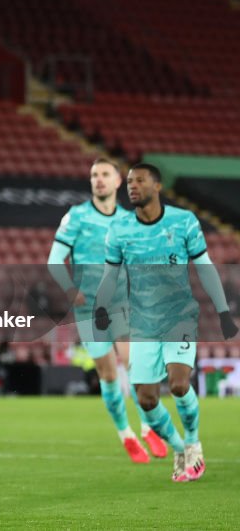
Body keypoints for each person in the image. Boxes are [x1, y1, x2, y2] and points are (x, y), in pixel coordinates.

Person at [94, 163, 239, 484]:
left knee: (178, 384)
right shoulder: (119, 229)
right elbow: (110, 274)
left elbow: (204, 266)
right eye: (129, 182)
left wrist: (223, 311)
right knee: (145, 399)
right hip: (143, 324)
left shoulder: (184, 221)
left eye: (139, 181)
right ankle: (179, 449)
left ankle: (193, 443)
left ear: (157, 187)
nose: (132, 187)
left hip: (179, 317)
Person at [48, 157, 164, 463]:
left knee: (136, 366)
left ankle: (149, 428)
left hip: (120, 304)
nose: (98, 179)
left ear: (117, 182)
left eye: (104, 175)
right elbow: (54, 260)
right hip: (89, 308)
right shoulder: (76, 217)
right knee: (109, 374)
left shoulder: (129, 220)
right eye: (94, 175)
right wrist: (71, 291)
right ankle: (125, 434)